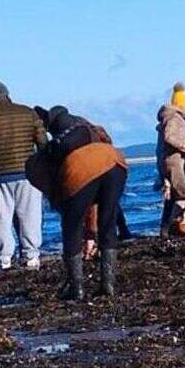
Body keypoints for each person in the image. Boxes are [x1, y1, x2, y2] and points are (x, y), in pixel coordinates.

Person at [41, 111, 129, 300]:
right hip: (115, 161)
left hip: (81, 169)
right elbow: (93, 206)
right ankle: (108, 285)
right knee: (108, 223)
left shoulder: (58, 150)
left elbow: (78, 199)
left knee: (71, 227)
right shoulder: (92, 132)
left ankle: (76, 287)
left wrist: (87, 233)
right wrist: (91, 233)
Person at [0, 81, 47, 272]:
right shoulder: (28, 112)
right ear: (7, 95)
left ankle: (5, 258)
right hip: (28, 173)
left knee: (1, 218)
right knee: (30, 215)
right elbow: (42, 142)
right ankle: (31, 256)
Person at [158, 86, 185, 236]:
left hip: (175, 161)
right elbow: (169, 137)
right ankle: (178, 223)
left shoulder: (173, 118)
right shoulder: (174, 118)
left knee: (182, 195)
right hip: (175, 161)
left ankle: (173, 225)